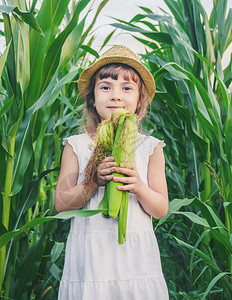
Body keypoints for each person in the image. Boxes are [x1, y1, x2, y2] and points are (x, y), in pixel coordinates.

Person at [55, 45, 169, 299]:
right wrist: (93, 182)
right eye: (105, 87)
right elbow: (61, 204)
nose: (116, 96)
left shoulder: (150, 148)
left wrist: (138, 186)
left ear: (139, 100)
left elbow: (161, 209)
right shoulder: (78, 145)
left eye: (127, 88)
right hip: (91, 259)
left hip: (135, 259)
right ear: (93, 100)